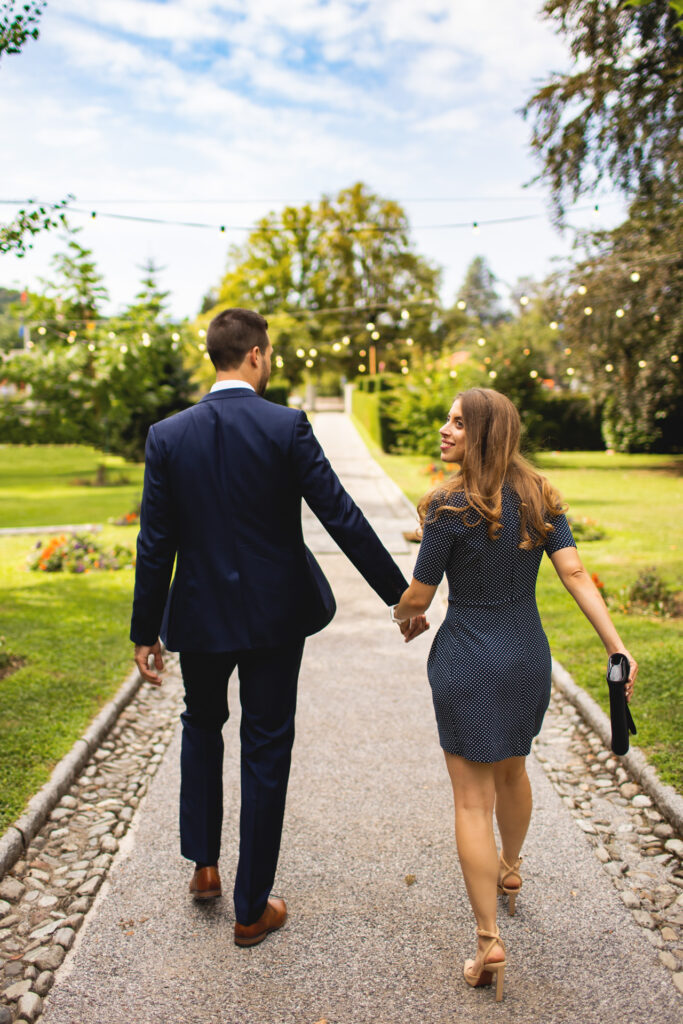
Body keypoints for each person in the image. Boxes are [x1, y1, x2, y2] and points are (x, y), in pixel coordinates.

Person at [130, 307, 427, 948]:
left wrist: (144, 629)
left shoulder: (167, 436)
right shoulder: (286, 426)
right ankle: (250, 907)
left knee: (201, 726)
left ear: (216, 356)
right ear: (258, 355)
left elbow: (156, 544)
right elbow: (342, 516)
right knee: (266, 747)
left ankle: (204, 867)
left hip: (199, 617)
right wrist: (399, 597)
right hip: (273, 618)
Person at [390, 387, 636, 1001]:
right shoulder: (538, 496)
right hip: (526, 653)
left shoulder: (448, 508)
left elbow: (419, 598)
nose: (444, 430)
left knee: (471, 802)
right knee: (513, 770)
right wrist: (616, 645)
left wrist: (403, 615)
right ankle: (512, 869)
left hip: (465, 656)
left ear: (484, 434)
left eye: (456, 423)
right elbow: (574, 571)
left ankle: (487, 940)